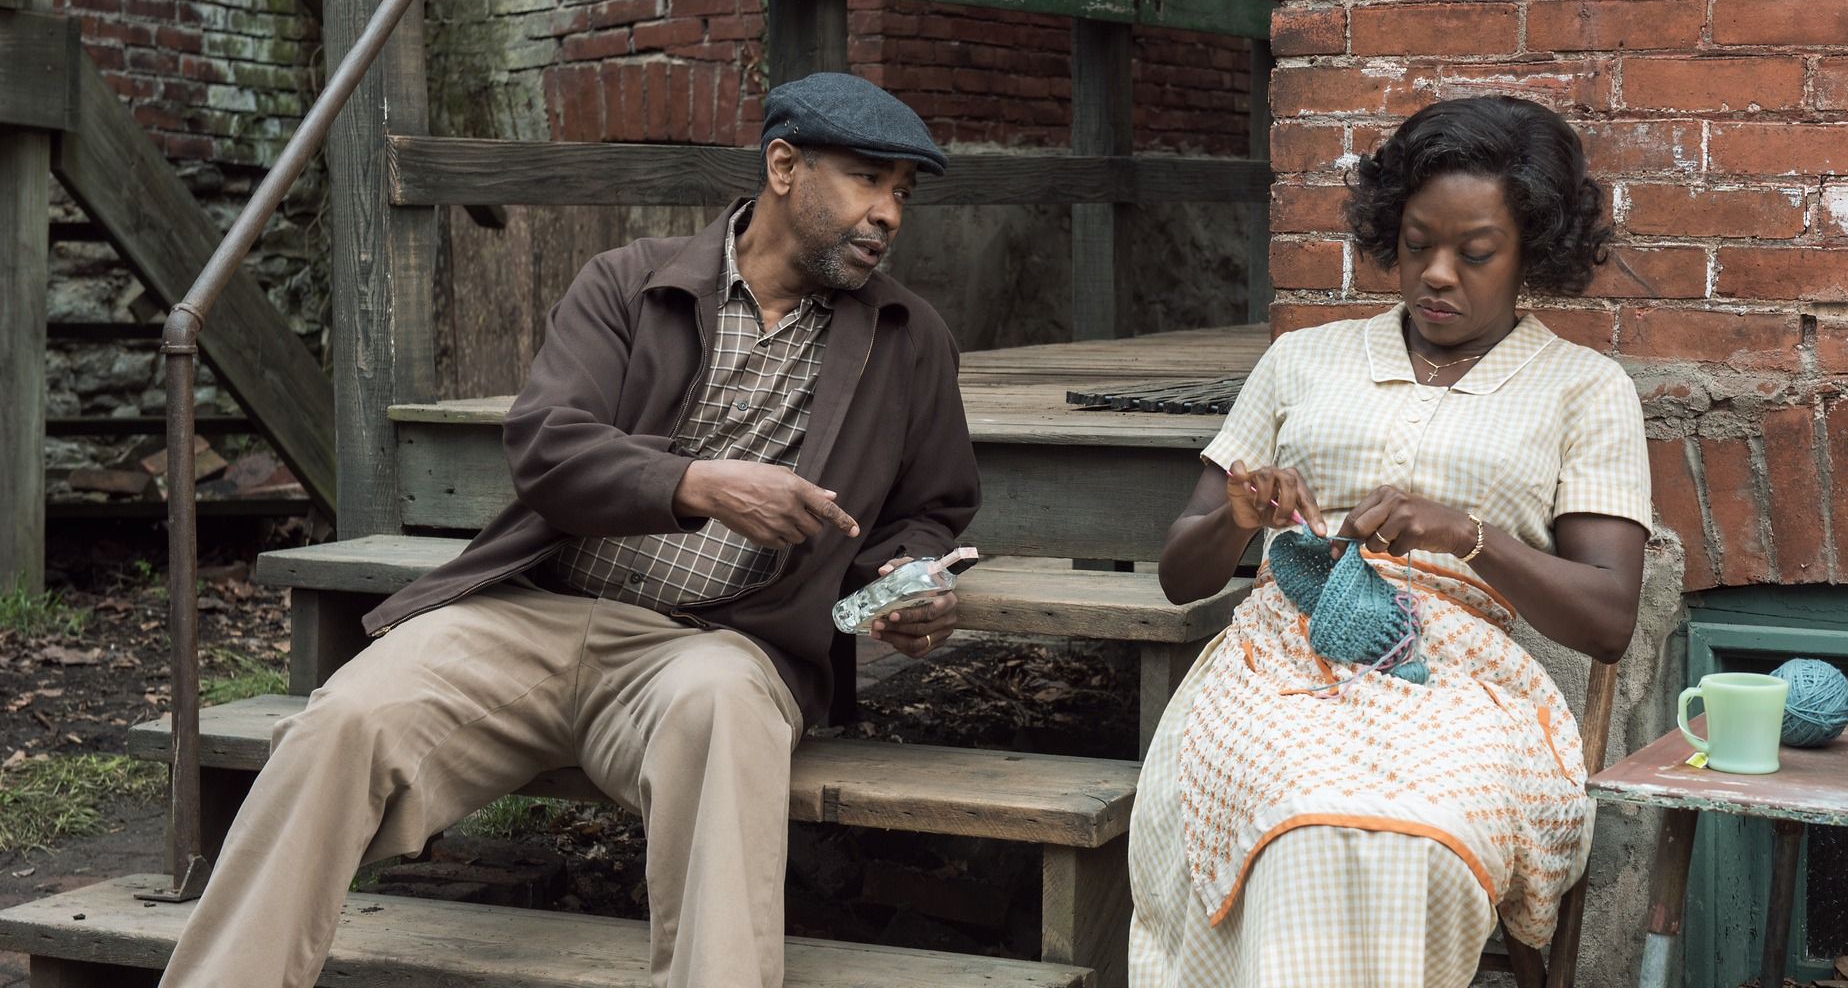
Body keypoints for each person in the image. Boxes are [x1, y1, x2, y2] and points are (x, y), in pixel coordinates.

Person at [158, 72, 980, 988]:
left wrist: (912, 579)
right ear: (784, 167)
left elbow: (930, 508)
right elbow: (548, 448)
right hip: (532, 616)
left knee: (726, 717)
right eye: (870, 180)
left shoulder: (912, 339)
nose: (890, 214)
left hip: (712, 647)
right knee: (344, 720)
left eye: (903, 194)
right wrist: (698, 485)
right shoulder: (630, 283)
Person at [1127, 95, 1652, 987]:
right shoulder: (1303, 360)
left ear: (1533, 250)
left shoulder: (1583, 389)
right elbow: (1181, 575)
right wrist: (1239, 519)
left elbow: (1608, 620)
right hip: (1276, 670)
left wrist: (1468, 536)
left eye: (1474, 252)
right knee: (1305, 813)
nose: (1437, 274)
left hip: (1457, 688)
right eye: (1416, 244)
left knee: (1409, 836)